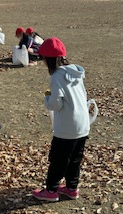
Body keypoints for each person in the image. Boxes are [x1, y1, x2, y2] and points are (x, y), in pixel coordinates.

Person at [32, 37, 90, 201]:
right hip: (83, 124)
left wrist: (47, 98)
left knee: (58, 159)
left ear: (48, 59)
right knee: (75, 159)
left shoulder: (57, 76)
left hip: (67, 126)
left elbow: (56, 104)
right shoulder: (75, 72)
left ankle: (51, 191)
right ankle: (72, 188)